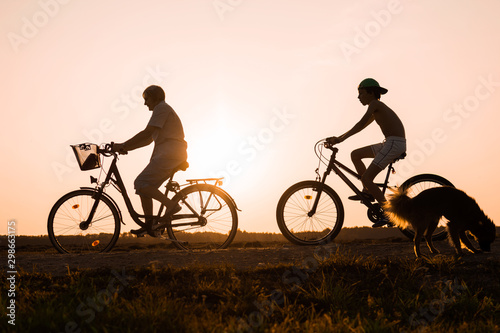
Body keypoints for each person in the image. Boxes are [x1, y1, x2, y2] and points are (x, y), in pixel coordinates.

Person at [327, 78, 406, 227]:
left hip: (394, 143)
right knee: (355, 155)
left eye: (361, 93)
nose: (358, 97)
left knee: (367, 178)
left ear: (371, 93)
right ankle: (368, 191)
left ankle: (389, 214)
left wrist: (339, 139)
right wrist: (340, 138)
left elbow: (360, 124)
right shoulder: (375, 107)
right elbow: (361, 127)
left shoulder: (375, 104)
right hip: (390, 142)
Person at [113, 85, 188, 235]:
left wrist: (123, 145)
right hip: (169, 154)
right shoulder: (161, 110)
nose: (145, 103)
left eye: (147, 99)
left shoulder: (162, 108)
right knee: (144, 187)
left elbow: (147, 133)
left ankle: (171, 205)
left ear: (155, 97)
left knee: (140, 183)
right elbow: (147, 140)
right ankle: (150, 226)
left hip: (170, 154)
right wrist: (125, 148)